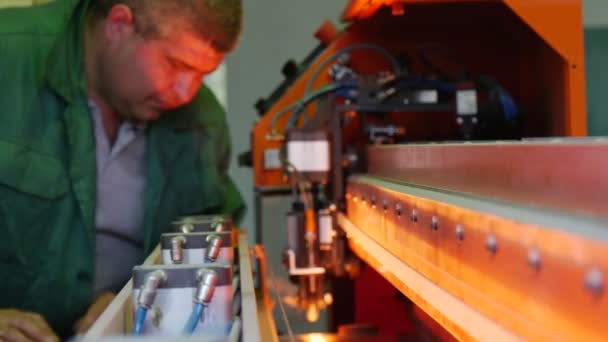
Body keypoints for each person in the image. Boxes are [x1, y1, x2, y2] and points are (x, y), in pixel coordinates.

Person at [0, 0, 245, 340]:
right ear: (118, 24)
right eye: (174, 64)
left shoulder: (201, 122)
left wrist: (135, 303)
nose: (186, 92)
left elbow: (216, 245)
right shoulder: (9, 59)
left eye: (202, 74)